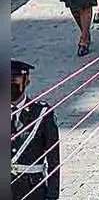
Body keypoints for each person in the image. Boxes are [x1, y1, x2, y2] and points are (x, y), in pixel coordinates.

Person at [11, 60, 60, 200]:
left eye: (15, 79)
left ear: (27, 81)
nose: (10, 84)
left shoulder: (42, 113)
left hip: (32, 189)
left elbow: (53, 160)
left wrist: (52, 196)